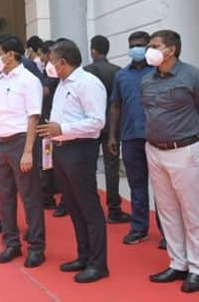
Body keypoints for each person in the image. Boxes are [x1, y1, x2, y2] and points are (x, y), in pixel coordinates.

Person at [37, 38, 109, 283]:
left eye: (51, 61)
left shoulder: (88, 83)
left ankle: (98, 264)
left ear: (63, 62)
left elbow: (97, 121)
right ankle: (84, 256)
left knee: (88, 207)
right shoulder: (62, 83)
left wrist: (63, 128)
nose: (48, 65)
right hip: (61, 149)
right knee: (74, 207)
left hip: (80, 149)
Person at [141, 29, 199, 293]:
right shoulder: (147, 80)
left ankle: (197, 268)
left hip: (185, 150)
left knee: (192, 212)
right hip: (154, 150)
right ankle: (178, 263)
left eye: (154, 45)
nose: (148, 50)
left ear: (171, 50)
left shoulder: (192, 75)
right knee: (167, 211)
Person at [0, 35, 46, 268]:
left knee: (30, 197)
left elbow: (34, 116)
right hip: (1, 143)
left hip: (20, 141)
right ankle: (11, 243)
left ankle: (36, 247)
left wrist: (28, 151)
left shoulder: (28, 80)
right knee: (5, 197)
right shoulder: (1, 79)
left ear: (11, 55)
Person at [107, 31, 164, 246]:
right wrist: (113, 136)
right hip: (130, 138)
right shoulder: (121, 75)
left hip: (157, 137)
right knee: (136, 186)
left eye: (141, 45)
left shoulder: (158, 71)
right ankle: (139, 228)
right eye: (133, 45)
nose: (136, 49)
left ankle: (168, 233)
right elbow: (115, 105)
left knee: (162, 189)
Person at [84, 35, 131, 224]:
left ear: (93, 50)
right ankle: (114, 208)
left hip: (89, 126)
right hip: (112, 125)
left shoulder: (85, 72)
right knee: (112, 168)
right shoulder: (117, 72)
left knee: (88, 168)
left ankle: (91, 209)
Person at [39, 40, 67, 217]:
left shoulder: (61, 78)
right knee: (48, 162)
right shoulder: (48, 74)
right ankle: (48, 196)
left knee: (60, 165)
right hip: (47, 123)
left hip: (61, 127)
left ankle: (65, 201)